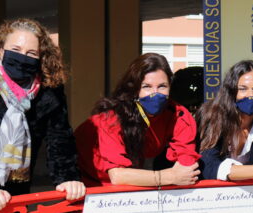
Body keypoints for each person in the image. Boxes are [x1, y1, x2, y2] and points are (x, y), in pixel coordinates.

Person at [0, 18, 85, 212]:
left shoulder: (49, 90)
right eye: (16, 50)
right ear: (0, 50)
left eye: (31, 53)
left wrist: (68, 179)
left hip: (14, 188)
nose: (22, 57)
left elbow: (60, 138)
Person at [75, 53, 200, 187]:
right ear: (134, 88)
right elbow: (118, 176)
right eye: (147, 86)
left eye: (162, 86)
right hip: (85, 175)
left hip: (129, 179)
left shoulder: (178, 115)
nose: (155, 93)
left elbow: (186, 166)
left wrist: (180, 172)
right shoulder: (111, 118)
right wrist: (170, 176)